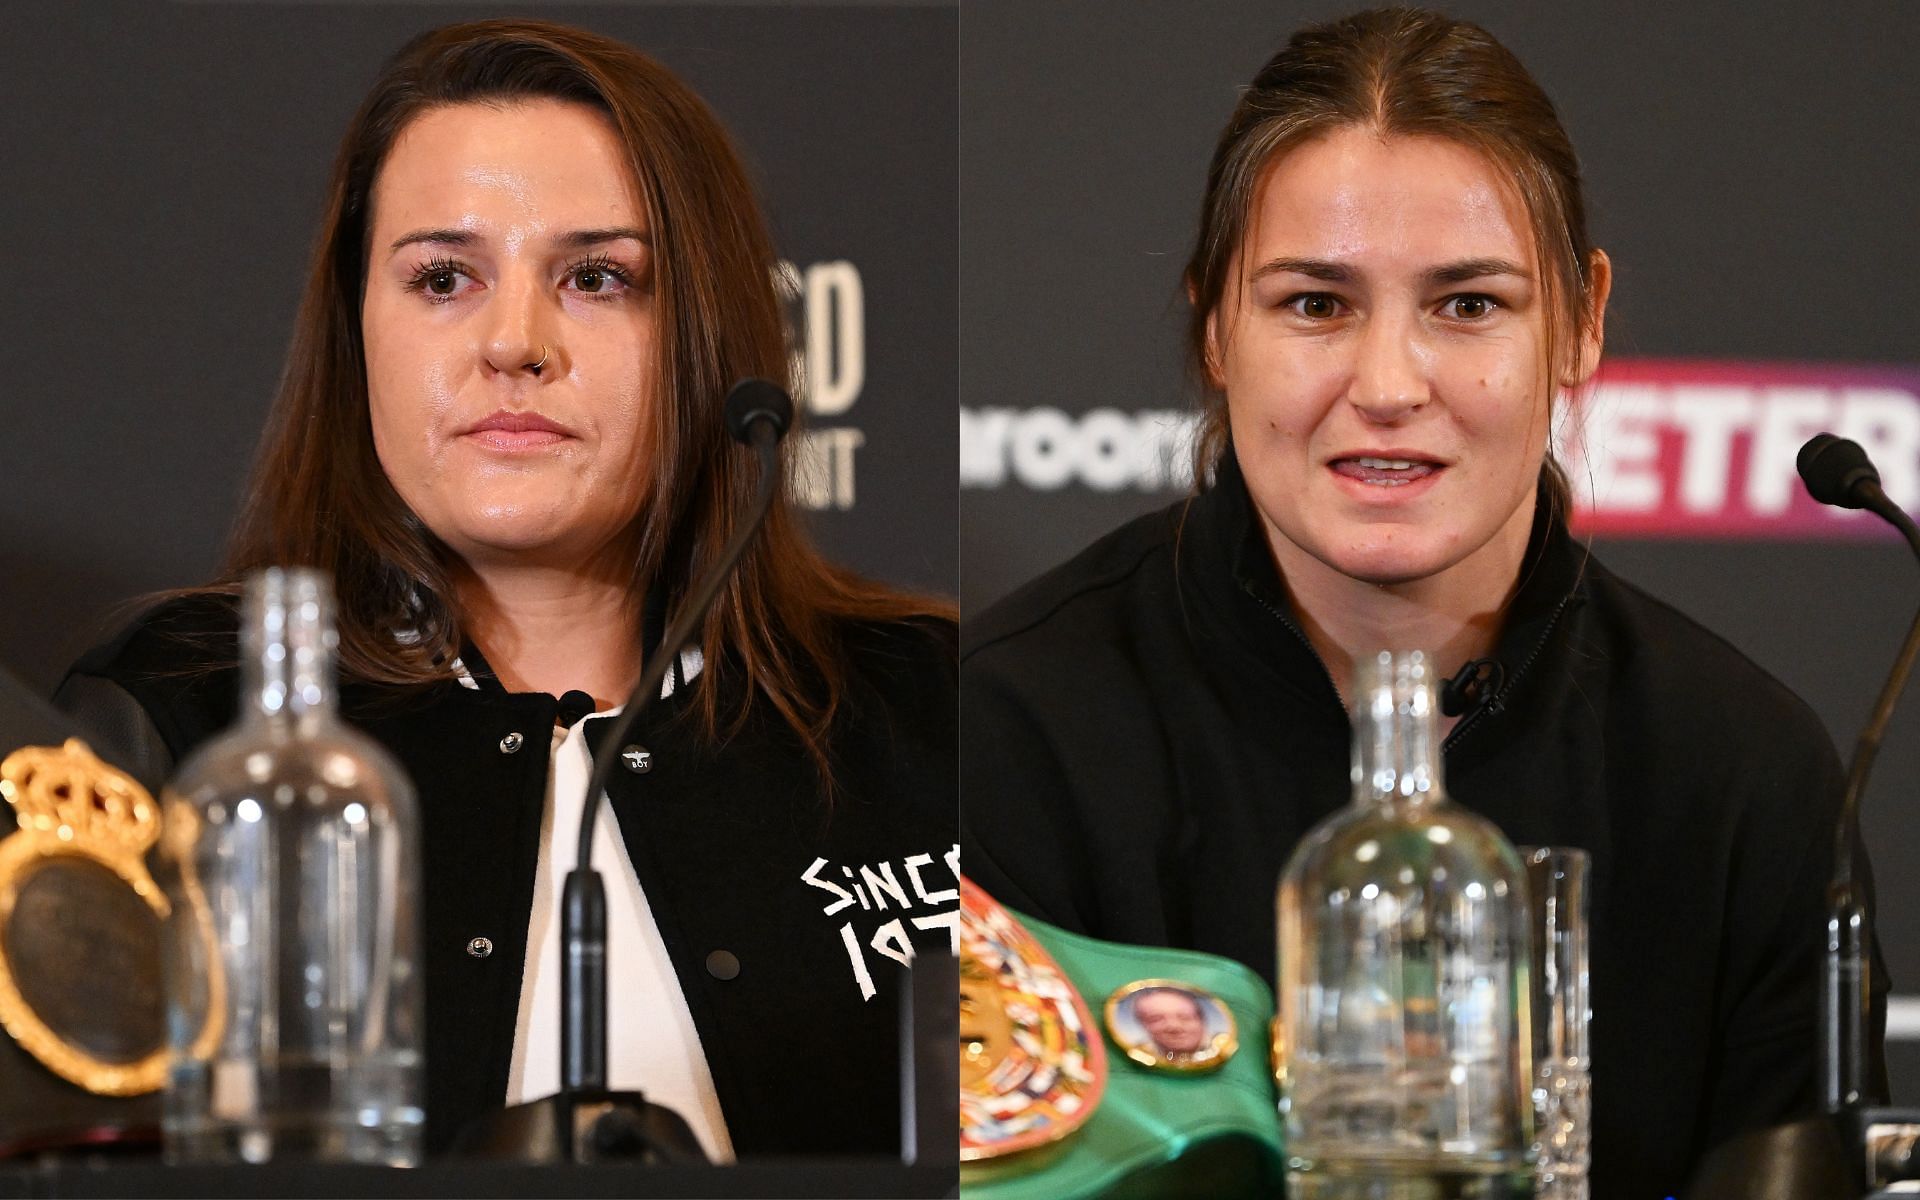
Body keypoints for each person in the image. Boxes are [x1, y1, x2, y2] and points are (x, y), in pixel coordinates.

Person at [958, 7, 1887, 1195]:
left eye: (1468, 305)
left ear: (1583, 320)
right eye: (1314, 304)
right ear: (1214, 328)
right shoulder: (1005, 735)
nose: (1389, 385)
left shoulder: (1744, 771)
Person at [55, 19, 956, 1162]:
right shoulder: (179, 720)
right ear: (358, 330)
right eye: (443, 278)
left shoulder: (937, 710)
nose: (515, 343)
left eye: (596, 278)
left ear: (712, 335)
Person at [1130, 987, 1208, 1059]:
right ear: (1143, 1024)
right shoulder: (1139, 1053)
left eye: (1185, 1017)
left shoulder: (1216, 1047)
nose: (1174, 1026)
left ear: (1202, 1020)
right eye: (1156, 1019)